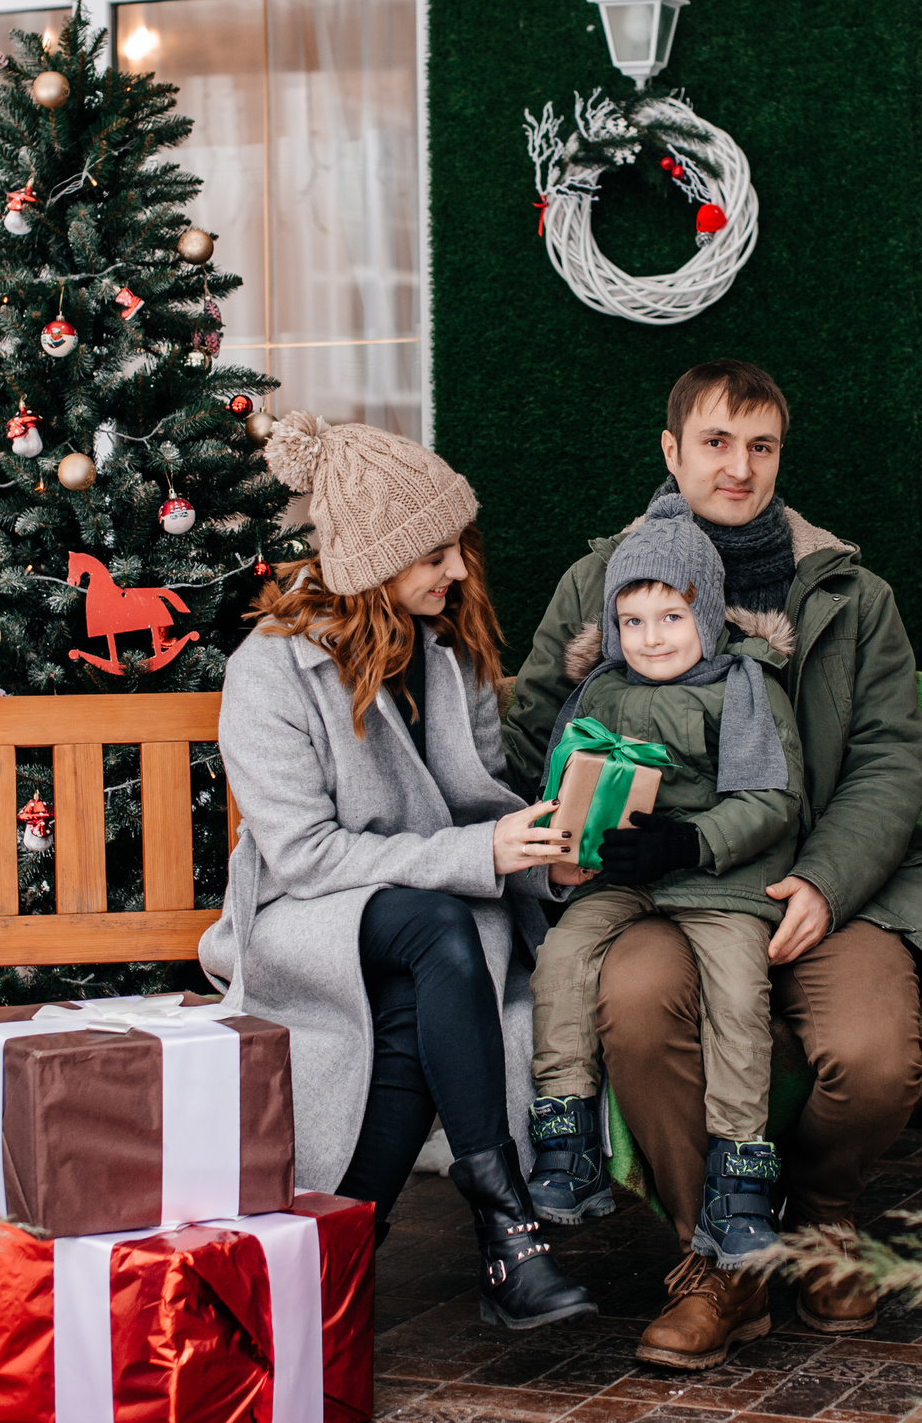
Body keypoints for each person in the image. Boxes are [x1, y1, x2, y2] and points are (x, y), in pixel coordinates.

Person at [505, 359, 922, 1371]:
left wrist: (829, 878)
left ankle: (820, 1220)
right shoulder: (600, 580)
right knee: (631, 1005)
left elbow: (888, 759)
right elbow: (538, 729)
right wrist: (586, 834)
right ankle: (718, 1261)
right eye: (714, 442)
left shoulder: (848, 591)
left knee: (875, 1060)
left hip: (823, 889)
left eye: (760, 446)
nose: (738, 468)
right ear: (670, 451)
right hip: (665, 890)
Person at [203, 411, 595, 1331]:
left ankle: (341, 1264)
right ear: (374, 558)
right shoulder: (269, 671)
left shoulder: (447, 655)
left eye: (457, 547)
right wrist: (473, 857)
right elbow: (302, 855)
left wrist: (548, 863)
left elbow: (483, 803)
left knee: (429, 983)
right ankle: (509, 1226)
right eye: (431, 555)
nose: (457, 572)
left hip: (433, 915)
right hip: (309, 913)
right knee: (438, 929)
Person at [523, 493, 806, 1271]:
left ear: (708, 617)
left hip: (720, 881)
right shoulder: (600, 691)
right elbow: (563, 779)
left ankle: (739, 1185)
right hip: (623, 873)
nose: (652, 639)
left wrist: (690, 839)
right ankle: (568, 1139)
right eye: (635, 621)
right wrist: (570, 844)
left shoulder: (744, 688)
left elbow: (773, 799)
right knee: (565, 955)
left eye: (672, 618)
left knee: (738, 998)